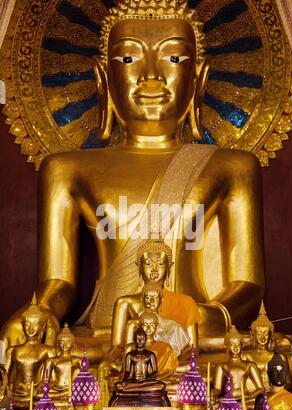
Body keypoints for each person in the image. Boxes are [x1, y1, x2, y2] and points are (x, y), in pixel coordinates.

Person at [0, 0, 264, 354]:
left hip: (190, 336)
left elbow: (247, 284)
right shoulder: (65, 169)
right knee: (44, 356)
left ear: (199, 79)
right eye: (128, 59)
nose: (151, 76)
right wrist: (41, 310)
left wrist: (194, 318)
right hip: (107, 337)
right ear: (103, 79)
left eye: (173, 58)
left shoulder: (234, 167)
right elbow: (56, 281)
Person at [4, 306, 55, 406]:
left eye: (35, 324)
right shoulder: (12, 350)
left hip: (36, 394)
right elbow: (4, 376)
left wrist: (38, 387)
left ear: (42, 327)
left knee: (51, 397)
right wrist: (7, 389)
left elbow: (53, 380)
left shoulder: (48, 350)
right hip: (15, 393)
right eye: (27, 324)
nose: (30, 328)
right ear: (22, 325)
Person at [213, 325, 264, 401]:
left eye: (238, 345)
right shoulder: (221, 366)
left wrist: (250, 395)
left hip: (245, 398)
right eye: (232, 345)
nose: (236, 348)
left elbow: (261, 388)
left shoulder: (250, 365)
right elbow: (217, 389)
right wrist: (212, 394)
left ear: (242, 345)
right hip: (228, 400)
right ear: (226, 346)